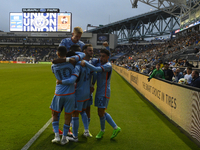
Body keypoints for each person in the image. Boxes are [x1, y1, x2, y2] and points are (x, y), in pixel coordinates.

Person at [81, 49, 121, 139]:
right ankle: (113, 128)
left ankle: (109, 129)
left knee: (101, 112)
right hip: (99, 91)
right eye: (100, 56)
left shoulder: (108, 65)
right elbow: (92, 61)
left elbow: (95, 69)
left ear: (108, 57)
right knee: (101, 112)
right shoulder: (99, 61)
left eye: (103, 56)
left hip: (104, 92)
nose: (101, 58)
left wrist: (85, 62)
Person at [50, 46, 77, 145]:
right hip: (70, 93)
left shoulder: (53, 66)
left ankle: (57, 136)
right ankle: (64, 138)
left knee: (55, 114)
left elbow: (54, 69)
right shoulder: (72, 65)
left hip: (59, 92)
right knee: (68, 116)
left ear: (58, 54)